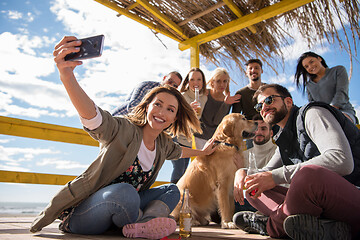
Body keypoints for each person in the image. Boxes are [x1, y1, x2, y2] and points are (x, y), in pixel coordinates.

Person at [30, 36, 217, 239]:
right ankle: (143, 219)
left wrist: (203, 152)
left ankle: (145, 223)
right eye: (158, 104)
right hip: (87, 215)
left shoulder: (163, 143)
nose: (162, 112)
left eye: (170, 109)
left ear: (174, 118)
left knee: (172, 190)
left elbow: (180, 151)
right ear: (147, 107)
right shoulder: (124, 128)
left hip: (125, 207)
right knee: (125, 192)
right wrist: (67, 76)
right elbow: (95, 117)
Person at [232, 84, 360, 239]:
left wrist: (276, 177)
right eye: (259, 106)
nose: (264, 107)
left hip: (352, 197)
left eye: (269, 100)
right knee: (252, 186)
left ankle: (270, 226)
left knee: (307, 175)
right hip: (322, 207)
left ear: (288, 102)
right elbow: (265, 174)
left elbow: (341, 160)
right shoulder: (284, 139)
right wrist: (243, 172)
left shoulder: (313, 113)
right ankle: (323, 227)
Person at [294, 51, 358, 124]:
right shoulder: (309, 85)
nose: (310, 67)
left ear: (319, 58)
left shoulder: (338, 70)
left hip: (344, 111)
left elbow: (342, 92)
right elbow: (313, 104)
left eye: (311, 62)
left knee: (340, 123)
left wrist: (331, 111)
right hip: (323, 117)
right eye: (306, 66)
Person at [170, 68, 207, 184]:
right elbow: (173, 118)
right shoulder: (182, 96)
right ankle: (171, 195)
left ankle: (179, 197)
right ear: (187, 82)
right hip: (176, 136)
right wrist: (187, 111)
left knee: (184, 171)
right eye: (192, 79)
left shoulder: (204, 98)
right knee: (179, 168)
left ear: (203, 82)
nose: (195, 83)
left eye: (199, 79)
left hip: (187, 139)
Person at [194, 67, 241, 149]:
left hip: (215, 139)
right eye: (218, 81)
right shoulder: (204, 94)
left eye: (225, 81)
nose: (222, 84)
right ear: (212, 82)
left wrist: (226, 104)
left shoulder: (227, 101)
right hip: (199, 137)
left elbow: (216, 122)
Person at [112, 71, 182, 116]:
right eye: (170, 81)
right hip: (119, 119)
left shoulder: (169, 99)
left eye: (175, 86)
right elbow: (133, 106)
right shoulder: (147, 86)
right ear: (164, 78)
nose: (171, 86)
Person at [232, 59, 267, 149]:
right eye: (250, 68)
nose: (253, 70)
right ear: (246, 72)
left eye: (256, 68)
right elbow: (236, 118)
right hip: (250, 133)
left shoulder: (269, 89)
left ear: (261, 71)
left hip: (269, 129)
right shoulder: (240, 94)